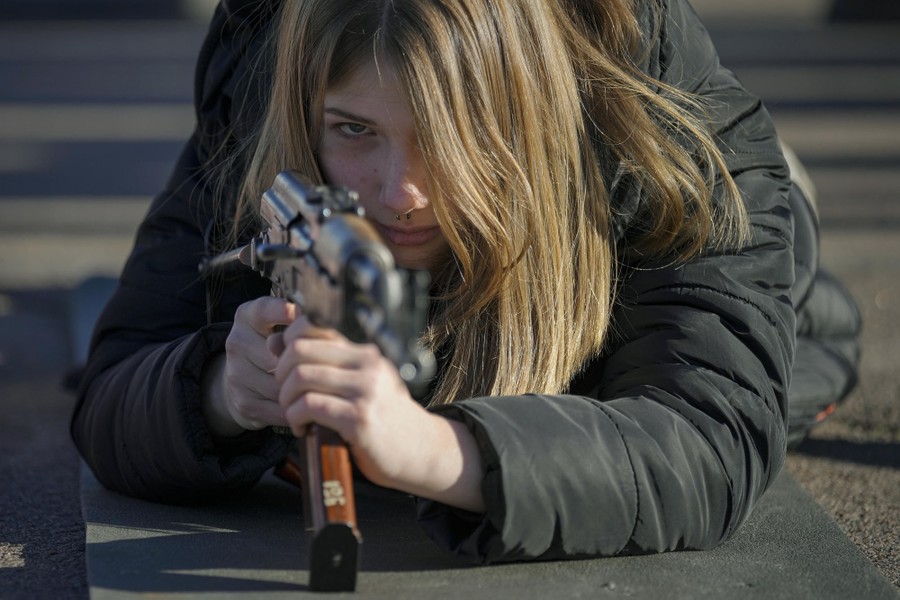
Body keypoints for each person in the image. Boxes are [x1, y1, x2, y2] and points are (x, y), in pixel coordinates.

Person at [71, 0, 860, 562]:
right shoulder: (260, 79)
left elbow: (709, 437)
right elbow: (117, 382)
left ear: (524, 114)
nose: (399, 191)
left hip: (711, 205)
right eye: (354, 130)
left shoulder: (669, 130)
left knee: (775, 288)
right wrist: (222, 390)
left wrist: (431, 448)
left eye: (451, 135)